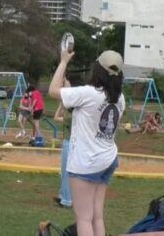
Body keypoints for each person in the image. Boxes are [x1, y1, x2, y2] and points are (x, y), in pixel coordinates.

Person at [49, 50, 125, 236]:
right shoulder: (120, 98)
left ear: (97, 69)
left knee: (83, 218)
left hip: (86, 163)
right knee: (97, 216)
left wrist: (64, 62)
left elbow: (52, 91)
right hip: (107, 159)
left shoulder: (88, 93)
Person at [53, 78, 72, 209]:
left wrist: (62, 102)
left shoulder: (70, 117)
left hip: (69, 144)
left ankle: (66, 200)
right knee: (64, 172)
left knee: (66, 172)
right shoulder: (71, 115)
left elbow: (56, 117)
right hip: (69, 143)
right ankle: (63, 196)